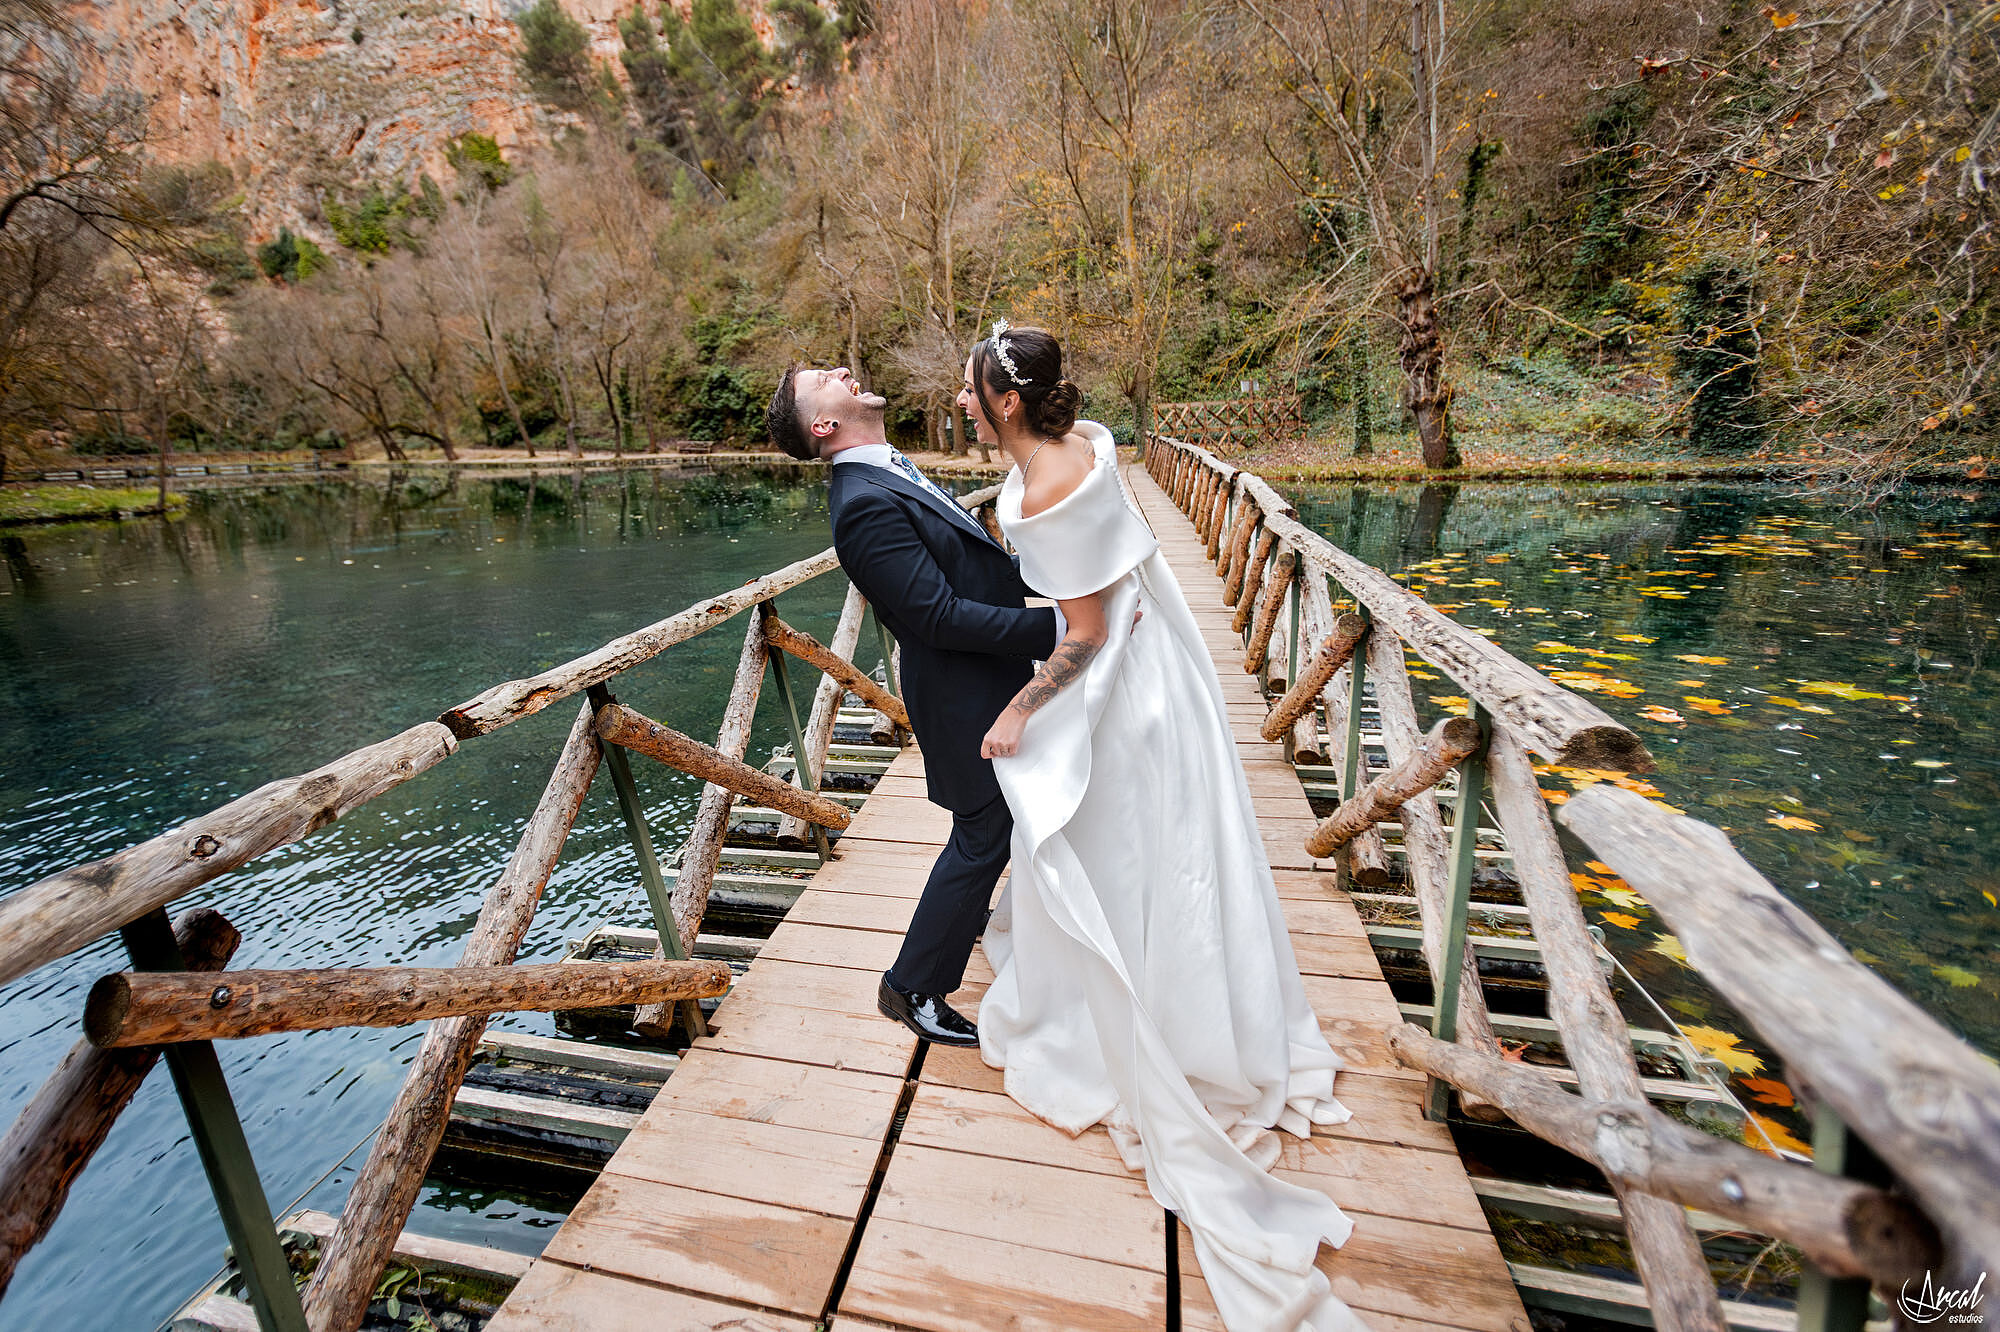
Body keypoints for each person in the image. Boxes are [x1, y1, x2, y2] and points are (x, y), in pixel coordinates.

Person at [961, 322, 1368, 1332]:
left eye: (972, 392)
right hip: (1162, 660)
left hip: (1120, 687)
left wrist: (1015, 708)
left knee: (1106, 844)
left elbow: (1086, 632)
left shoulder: (1050, 485)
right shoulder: (1088, 444)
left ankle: (1146, 1015)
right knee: (1143, 849)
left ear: (1008, 404)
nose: (963, 404)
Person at [764, 363, 1055, 1047]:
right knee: (983, 836)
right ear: (824, 426)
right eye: (823, 378)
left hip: (994, 677)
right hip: (962, 697)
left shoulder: (886, 468)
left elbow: (970, 566)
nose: (844, 367)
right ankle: (911, 987)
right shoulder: (861, 502)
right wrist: (1065, 628)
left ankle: (983, 940)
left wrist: (1064, 584)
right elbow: (938, 616)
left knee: (996, 831)